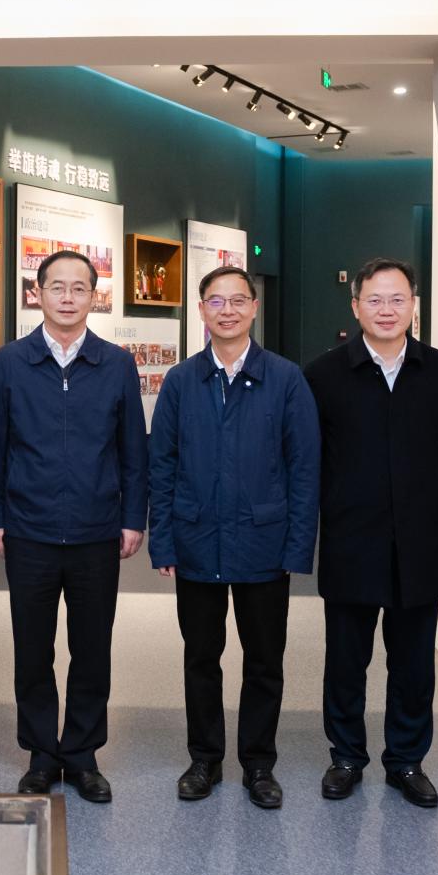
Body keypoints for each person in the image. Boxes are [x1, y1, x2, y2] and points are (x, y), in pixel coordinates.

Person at [0, 249, 147, 803]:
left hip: (98, 531)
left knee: (92, 648)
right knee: (32, 648)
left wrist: (133, 518)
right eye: (57, 287)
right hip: (28, 530)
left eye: (79, 288)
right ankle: (40, 753)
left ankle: (81, 754)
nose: (68, 297)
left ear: (93, 296)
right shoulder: (9, 362)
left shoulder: (116, 364)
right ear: (38, 294)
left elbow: (133, 449)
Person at [148, 266, 318, 810]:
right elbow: (161, 465)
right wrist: (162, 541)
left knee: (264, 660)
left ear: (254, 308)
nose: (228, 310)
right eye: (216, 301)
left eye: (238, 300)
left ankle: (259, 764)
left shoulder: (286, 379)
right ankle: (204, 759)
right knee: (201, 657)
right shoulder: (181, 381)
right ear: (201, 310)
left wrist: (297, 547)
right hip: (196, 539)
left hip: (263, 544)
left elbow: (304, 469)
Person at [302, 258, 438, 809]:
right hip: (351, 541)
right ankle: (346, 757)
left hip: (419, 545)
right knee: (346, 662)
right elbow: (311, 462)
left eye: (398, 299)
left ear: (414, 305)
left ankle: (407, 761)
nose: (387, 310)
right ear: (356, 307)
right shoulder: (324, 375)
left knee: (414, 665)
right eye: (375, 300)